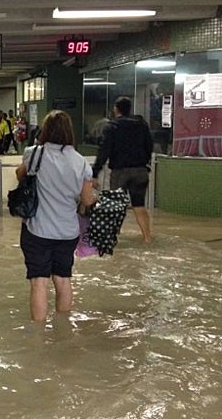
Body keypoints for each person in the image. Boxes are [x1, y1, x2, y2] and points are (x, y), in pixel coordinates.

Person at [16, 110, 97, 322]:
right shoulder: (80, 162)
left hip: (37, 230)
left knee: (39, 282)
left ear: (45, 131)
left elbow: (20, 174)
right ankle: (63, 330)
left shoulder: (33, 153)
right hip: (68, 232)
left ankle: (39, 337)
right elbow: (88, 200)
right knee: (63, 279)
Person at [92, 96, 153, 244]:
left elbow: (104, 151)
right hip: (140, 170)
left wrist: (95, 172)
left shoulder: (112, 126)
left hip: (120, 172)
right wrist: (144, 163)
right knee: (139, 205)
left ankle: (113, 238)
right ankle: (147, 238)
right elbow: (149, 146)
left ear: (116, 109)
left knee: (115, 206)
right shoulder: (142, 124)